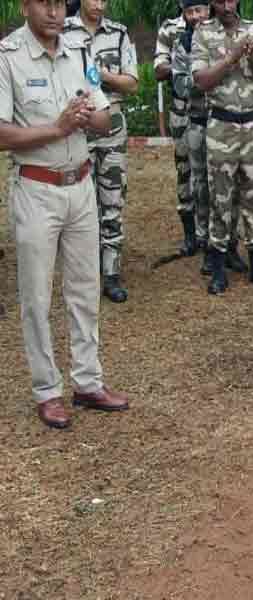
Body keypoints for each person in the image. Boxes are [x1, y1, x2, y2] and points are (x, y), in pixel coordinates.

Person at [1, 0, 131, 429]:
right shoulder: (9, 57)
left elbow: (105, 114)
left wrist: (90, 117)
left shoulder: (79, 51)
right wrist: (56, 128)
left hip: (81, 186)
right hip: (37, 188)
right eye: (46, 3)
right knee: (37, 296)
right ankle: (47, 390)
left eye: (61, 3)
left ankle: (88, 381)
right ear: (25, 6)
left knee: (84, 287)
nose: (55, 12)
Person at [192, 0, 253, 294]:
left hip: (252, 127)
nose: (227, 5)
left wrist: (251, 55)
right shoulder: (203, 33)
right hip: (221, 127)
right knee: (220, 198)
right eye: (221, 1)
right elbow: (201, 80)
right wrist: (231, 57)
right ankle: (218, 266)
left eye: (232, 0)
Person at [62, 0, 139, 304]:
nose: (100, 3)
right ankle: (84, 273)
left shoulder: (119, 34)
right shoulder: (63, 31)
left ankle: (111, 273)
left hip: (112, 125)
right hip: (77, 122)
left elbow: (132, 83)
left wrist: (100, 75)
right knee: (80, 201)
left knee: (113, 197)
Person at [172, 0, 214, 277]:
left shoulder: (223, 37)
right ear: (184, 14)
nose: (197, 16)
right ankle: (202, 240)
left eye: (201, 10)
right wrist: (211, 79)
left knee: (225, 185)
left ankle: (226, 243)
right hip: (198, 122)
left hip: (226, 123)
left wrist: (207, 77)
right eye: (191, 12)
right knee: (200, 183)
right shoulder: (183, 44)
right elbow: (180, 85)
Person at [156, 1, 196, 257]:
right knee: (185, 171)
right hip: (182, 111)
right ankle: (190, 235)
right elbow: (159, 70)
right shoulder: (170, 29)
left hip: (213, 110)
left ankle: (214, 236)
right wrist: (187, 69)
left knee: (214, 175)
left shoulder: (214, 23)